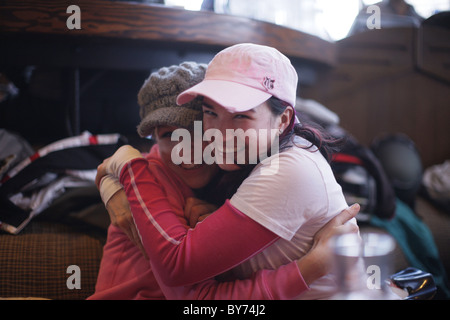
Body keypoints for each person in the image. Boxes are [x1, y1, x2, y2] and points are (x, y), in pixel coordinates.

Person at [94, 52, 359, 299]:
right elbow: (191, 293)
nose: (187, 150)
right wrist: (121, 167)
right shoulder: (155, 174)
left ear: (283, 120)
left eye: (197, 129)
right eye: (211, 113)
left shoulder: (254, 168)